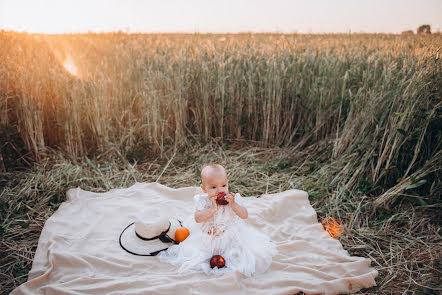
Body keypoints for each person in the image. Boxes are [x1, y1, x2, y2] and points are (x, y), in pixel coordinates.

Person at [157, 163, 278, 277]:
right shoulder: (203, 200)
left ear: (227, 183)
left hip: (228, 236)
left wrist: (234, 205)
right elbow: (198, 218)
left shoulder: (233, 199)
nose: (220, 190)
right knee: (195, 255)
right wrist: (212, 209)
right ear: (204, 189)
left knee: (239, 255)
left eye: (223, 185)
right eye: (214, 187)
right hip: (207, 236)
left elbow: (244, 215)